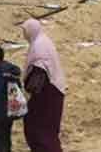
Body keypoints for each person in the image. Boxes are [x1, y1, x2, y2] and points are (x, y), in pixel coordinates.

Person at [21, 19, 67, 152]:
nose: (24, 34)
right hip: (51, 92)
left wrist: (27, 91)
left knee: (41, 131)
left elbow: (39, 72)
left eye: (25, 31)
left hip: (46, 94)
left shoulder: (39, 46)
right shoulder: (42, 42)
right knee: (44, 130)